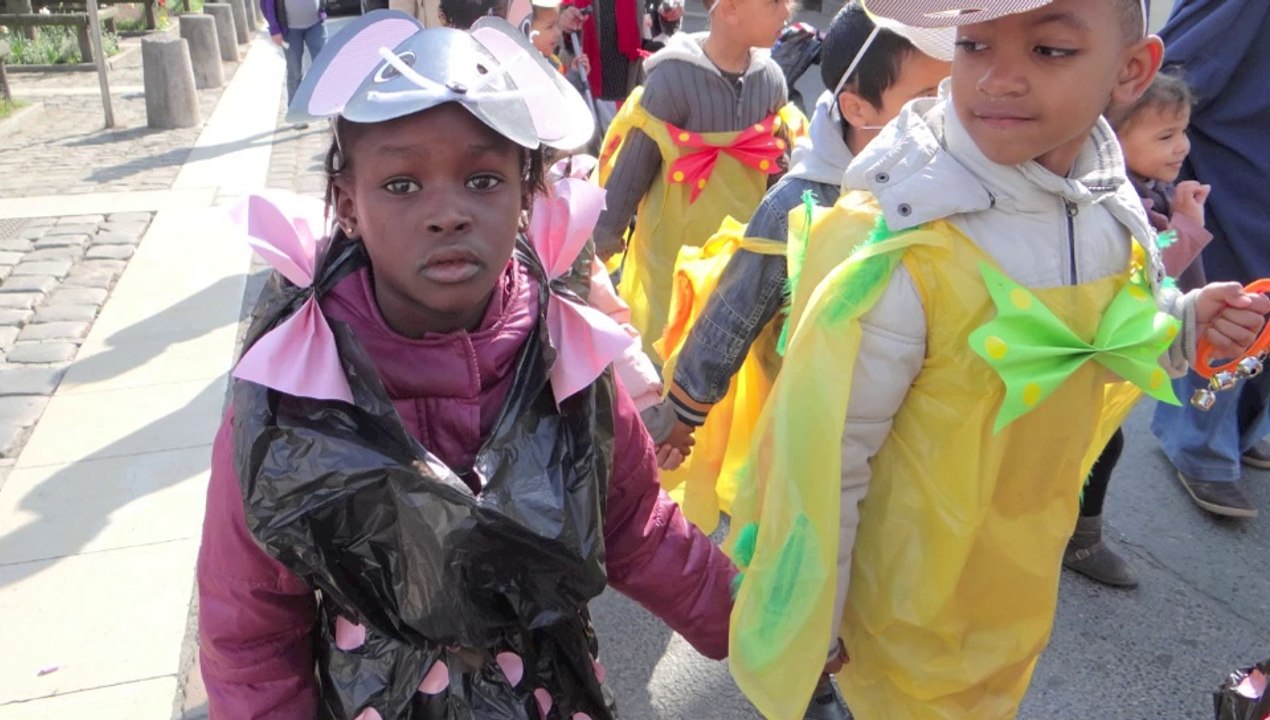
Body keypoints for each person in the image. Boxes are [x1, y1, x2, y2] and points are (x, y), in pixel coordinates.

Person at [726, 1, 1270, 718]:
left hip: (1018, 572)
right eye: (976, 44)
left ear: (1131, 70)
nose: (998, 80)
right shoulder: (908, 245)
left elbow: (1095, 338)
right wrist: (814, 613)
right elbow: (827, 453)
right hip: (905, 596)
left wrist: (1184, 322)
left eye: (1049, 51)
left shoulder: (1105, 209)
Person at [196, 13, 737, 719]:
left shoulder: (562, 354)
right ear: (345, 203)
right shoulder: (295, 388)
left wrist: (755, 628)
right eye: (401, 185)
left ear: (526, 194)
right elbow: (249, 624)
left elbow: (635, 521)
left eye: (482, 179)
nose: (447, 212)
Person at [659, 0, 952, 533]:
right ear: (860, 109)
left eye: (953, 94)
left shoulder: (948, 181)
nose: (945, 115)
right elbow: (735, 310)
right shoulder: (803, 200)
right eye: (927, 99)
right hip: (813, 418)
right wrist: (683, 413)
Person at [1064, 70, 1211, 588]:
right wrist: (1187, 225)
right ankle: (1078, 539)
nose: (1183, 147)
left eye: (1184, 131)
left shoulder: (1144, 188)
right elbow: (1151, 270)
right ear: (1110, 136)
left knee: (1095, 445)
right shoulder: (1118, 200)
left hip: (1095, 354)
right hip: (1083, 354)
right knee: (1095, 446)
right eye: (1166, 136)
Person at [592, 0, 797, 363]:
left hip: (740, 257)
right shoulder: (672, 80)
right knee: (666, 353)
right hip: (671, 257)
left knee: (730, 355)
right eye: (775, 3)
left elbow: (778, 177)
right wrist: (596, 251)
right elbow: (630, 175)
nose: (787, 13)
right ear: (730, 9)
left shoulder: (771, 82)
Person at [1147, 0, 1270, 519]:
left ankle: (1243, 429)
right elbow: (1173, 74)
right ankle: (1203, 447)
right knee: (1231, 297)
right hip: (1236, 164)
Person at [261, 0, 326, 124]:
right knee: (294, 71)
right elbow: (267, 4)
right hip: (290, 30)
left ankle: (326, 107)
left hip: (316, 24)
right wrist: (274, 29)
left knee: (323, 67)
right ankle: (295, 113)